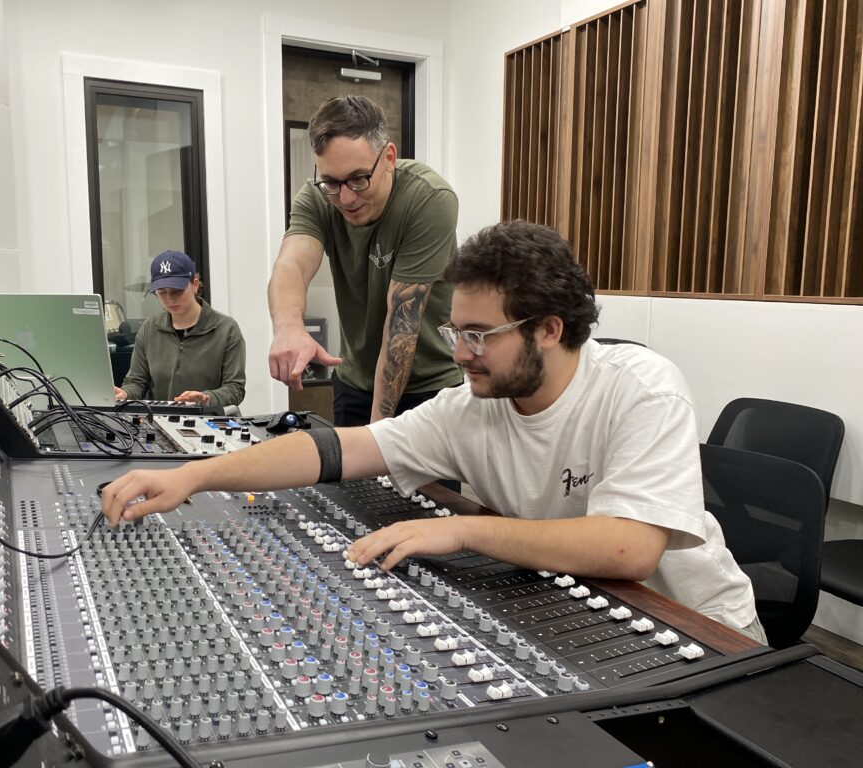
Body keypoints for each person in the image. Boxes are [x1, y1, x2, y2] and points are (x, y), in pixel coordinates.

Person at [101, 221, 762, 641]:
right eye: (455, 332)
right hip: (577, 609)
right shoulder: (472, 403)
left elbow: (629, 549)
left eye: (480, 335)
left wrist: (463, 531)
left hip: (701, 634)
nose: (461, 352)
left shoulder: (642, 388)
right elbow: (339, 449)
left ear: (549, 329)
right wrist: (196, 476)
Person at [268, 95, 462, 425]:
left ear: (388, 158)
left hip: (429, 388)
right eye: (331, 181)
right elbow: (292, 264)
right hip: (354, 382)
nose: (345, 198)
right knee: (350, 462)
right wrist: (288, 328)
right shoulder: (316, 197)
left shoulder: (428, 198)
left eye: (359, 178)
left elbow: (401, 327)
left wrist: (375, 434)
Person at [114, 250, 246, 407]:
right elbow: (137, 381)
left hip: (213, 418)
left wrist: (206, 398)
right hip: (165, 418)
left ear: (195, 284)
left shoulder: (226, 329)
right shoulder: (148, 330)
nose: (170, 299)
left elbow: (235, 389)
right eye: (162, 292)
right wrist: (125, 394)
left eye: (177, 291)